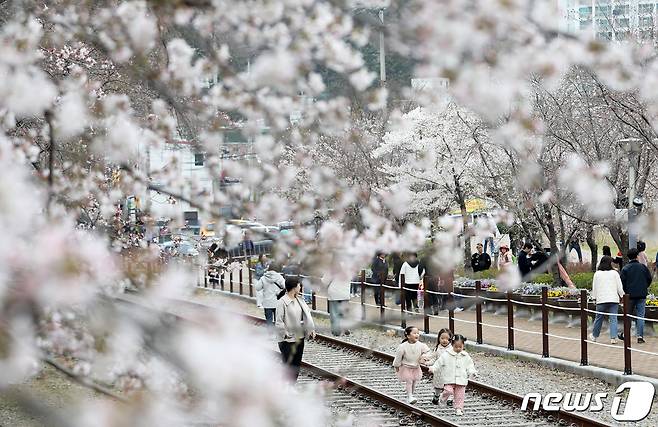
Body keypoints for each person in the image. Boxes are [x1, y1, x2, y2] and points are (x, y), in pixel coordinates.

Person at [275, 277, 316, 382]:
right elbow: (279, 321)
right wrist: (285, 334)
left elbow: (307, 316)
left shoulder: (300, 300)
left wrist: (311, 329)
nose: (300, 287)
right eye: (299, 285)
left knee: (296, 365)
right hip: (286, 340)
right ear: (294, 287)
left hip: (299, 337)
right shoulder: (282, 302)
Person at [436, 334, 478, 416]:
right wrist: (433, 368)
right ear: (452, 345)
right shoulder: (447, 354)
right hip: (449, 378)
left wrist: (472, 372)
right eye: (456, 347)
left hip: (461, 379)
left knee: (460, 395)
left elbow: (470, 365)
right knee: (448, 390)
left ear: (463, 345)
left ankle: (458, 408)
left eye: (460, 347)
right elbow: (439, 362)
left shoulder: (465, 356)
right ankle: (442, 398)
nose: (458, 349)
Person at [619, 248, 653, 344]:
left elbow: (622, 282)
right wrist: (644, 287)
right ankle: (640, 336)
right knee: (640, 316)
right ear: (637, 256)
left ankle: (625, 335)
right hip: (642, 295)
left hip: (629, 296)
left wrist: (625, 292)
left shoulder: (625, 268)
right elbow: (649, 279)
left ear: (628, 257)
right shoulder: (643, 267)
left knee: (628, 315)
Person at [590, 256, 625, 345]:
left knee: (599, 318)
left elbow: (595, 288)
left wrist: (594, 298)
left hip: (601, 299)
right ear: (610, 263)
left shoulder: (597, 274)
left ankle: (594, 336)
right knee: (613, 318)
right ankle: (613, 338)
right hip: (613, 299)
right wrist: (622, 296)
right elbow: (619, 287)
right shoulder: (615, 273)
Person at [392, 326, 431, 404]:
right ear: (408, 336)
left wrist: (424, 357)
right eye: (414, 333)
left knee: (413, 382)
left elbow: (428, 352)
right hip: (406, 367)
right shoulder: (402, 346)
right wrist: (396, 366)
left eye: (418, 333)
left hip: (416, 367)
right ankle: (409, 396)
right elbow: (398, 357)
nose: (417, 335)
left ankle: (411, 395)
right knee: (409, 381)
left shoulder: (421, 345)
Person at [428, 328, 453, 405]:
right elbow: (434, 358)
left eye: (447, 338)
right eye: (442, 338)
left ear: (450, 339)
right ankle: (436, 396)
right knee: (438, 386)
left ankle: (449, 399)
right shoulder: (437, 349)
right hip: (439, 371)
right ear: (439, 338)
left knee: (449, 386)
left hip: (449, 370)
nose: (444, 340)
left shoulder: (452, 349)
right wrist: (428, 363)